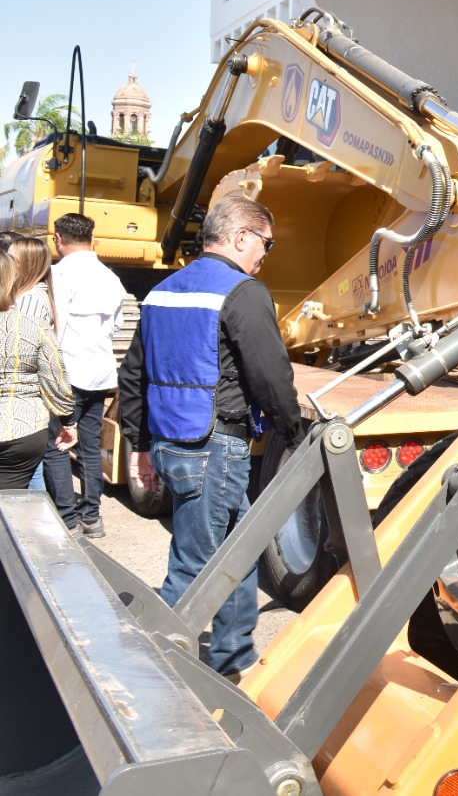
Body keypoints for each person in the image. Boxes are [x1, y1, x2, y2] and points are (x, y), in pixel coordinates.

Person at [122, 194, 303, 678]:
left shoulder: (163, 291)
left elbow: (133, 376)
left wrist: (140, 447)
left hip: (171, 444)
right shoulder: (243, 291)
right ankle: (154, 671)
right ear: (241, 237)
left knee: (240, 549)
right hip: (214, 448)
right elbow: (270, 374)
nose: (266, 254)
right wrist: (293, 431)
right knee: (195, 566)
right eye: (266, 243)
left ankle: (231, 656)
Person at [46, 214, 128, 537]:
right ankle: (92, 516)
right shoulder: (110, 277)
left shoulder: (58, 275)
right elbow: (117, 325)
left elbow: (54, 326)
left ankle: (67, 518)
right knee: (90, 445)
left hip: (67, 372)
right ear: (91, 239)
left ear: (57, 239)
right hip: (99, 373)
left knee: (58, 444)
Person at [0, 252, 77, 490]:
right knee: (12, 504)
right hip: (23, 430)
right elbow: (55, 378)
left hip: (22, 434)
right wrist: (68, 421)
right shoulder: (34, 326)